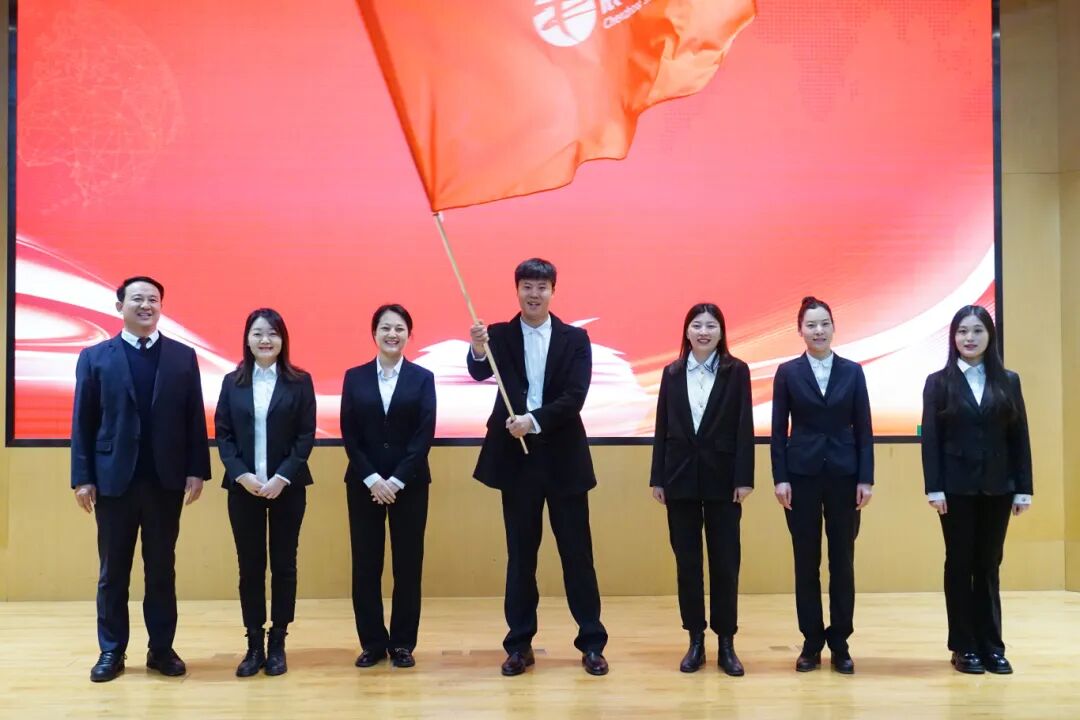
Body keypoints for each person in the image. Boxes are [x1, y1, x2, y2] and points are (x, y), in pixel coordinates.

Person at [467, 258, 609, 677]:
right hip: (517, 461)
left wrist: (533, 420)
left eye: (541, 287)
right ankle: (518, 644)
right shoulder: (498, 335)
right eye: (527, 286)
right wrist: (477, 348)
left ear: (552, 291)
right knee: (520, 557)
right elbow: (479, 371)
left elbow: (575, 396)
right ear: (517, 290)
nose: (534, 294)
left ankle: (592, 643)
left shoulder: (575, 339)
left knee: (577, 555)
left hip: (564, 459)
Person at [70, 275, 211, 683]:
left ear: (161, 307)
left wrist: (197, 469)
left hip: (166, 482)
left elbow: (193, 418)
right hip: (114, 481)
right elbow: (83, 422)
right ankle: (111, 651)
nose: (146, 305)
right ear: (120, 307)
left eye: (153, 299)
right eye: (137, 299)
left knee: (161, 570)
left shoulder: (183, 357)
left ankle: (161, 650)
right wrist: (83, 478)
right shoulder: (95, 357)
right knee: (113, 572)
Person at [920, 305, 1032, 675]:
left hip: (999, 488)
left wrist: (1023, 488)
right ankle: (963, 646)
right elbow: (931, 440)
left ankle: (992, 646)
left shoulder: (1009, 380)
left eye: (977, 331)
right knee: (959, 564)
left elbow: (1019, 437)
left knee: (988, 565)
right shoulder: (938, 382)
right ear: (953, 337)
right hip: (955, 490)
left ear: (989, 336)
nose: (970, 338)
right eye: (962, 331)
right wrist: (934, 487)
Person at [770, 296, 873, 674]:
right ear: (800, 330)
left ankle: (841, 643)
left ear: (833, 327)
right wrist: (780, 477)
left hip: (845, 477)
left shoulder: (852, 372)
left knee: (842, 562)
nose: (818, 330)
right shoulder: (787, 372)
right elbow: (778, 431)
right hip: (801, 478)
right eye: (811, 325)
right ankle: (811, 643)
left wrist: (866, 478)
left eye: (824, 323)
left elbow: (864, 428)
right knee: (806, 562)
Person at [650, 303, 754, 675]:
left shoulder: (736, 371)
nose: (704, 332)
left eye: (711, 326)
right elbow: (662, 425)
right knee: (687, 563)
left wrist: (744, 477)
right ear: (687, 331)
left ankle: (726, 642)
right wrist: (658, 477)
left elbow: (744, 425)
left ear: (721, 332)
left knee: (725, 562)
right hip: (679, 478)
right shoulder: (672, 372)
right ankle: (695, 639)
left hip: (724, 479)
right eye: (697, 325)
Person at [214, 308, 316, 677]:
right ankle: (254, 642)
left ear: (283, 339)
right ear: (247, 339)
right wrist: (241, 475)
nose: (265, 340)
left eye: (272, 333)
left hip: (287, 487)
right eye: (258, 333)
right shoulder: (232, 381)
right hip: (244, 489)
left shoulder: (299, 381)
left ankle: (278, 641)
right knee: (250, 566)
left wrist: (282, 477)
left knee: (284, 565)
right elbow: (223, 434)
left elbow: (306, 435)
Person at [341, 304, 436, 670]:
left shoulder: (422, 378)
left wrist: (395, 480)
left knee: (407, 566)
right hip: (363, 484)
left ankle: (402, 644)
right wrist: (372, 479)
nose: (392, 334)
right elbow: (350, 433)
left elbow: (423, 434)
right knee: (366, 565)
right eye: (385, 327)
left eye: (399, 328)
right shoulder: (354, 377)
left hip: (409, 485)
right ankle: (372, 643)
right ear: (374, 333)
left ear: (409, 334)